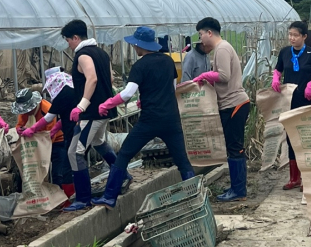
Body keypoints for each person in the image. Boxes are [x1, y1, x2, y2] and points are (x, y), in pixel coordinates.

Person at [92, 27, 194, 208]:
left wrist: (106, 104)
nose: (133, 48)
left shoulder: (139, 66)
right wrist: (145, 98)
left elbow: (126, 94)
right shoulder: (168, 61)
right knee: (182, 160)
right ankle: (194, 194)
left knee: (124, 155)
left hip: (149, 120)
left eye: (134, 45)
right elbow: (171, 88)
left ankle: (109, 197)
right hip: (171, 119)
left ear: (139, 45)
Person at [61, 20, 119, 211]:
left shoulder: (82, 55)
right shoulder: (101, 52)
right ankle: (122, 174)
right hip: (104, 110)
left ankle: (83, 198)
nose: (68, 44)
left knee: (75, 152)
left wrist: (82, 105)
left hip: (92, 112)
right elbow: (110, 79)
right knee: (98, 142)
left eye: (68, 40)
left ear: (76, 38)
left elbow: (92, 78)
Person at [192, 17, 251, 202]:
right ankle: (237, 185)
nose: (200, 38)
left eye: (201, 34)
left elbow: (224, 76)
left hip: (234, 103)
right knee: (234, 147)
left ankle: (239, 190)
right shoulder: (220, 49)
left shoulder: (223, 48)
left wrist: (205, 75)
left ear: (209, 33)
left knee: (235, 148)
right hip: (231, 104)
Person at [272, 21, 311, 190]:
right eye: (290, 34)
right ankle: (294, 177)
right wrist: (276, 78)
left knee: (307, 138)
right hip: (290, 102)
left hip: (308, 103)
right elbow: (279, 69)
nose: (292, 38)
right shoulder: (285, 53)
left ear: (304, 37)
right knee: (291, 137)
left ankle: (308, 178)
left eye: (295, 35)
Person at [14, 83, 74, 201]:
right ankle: (36, 197)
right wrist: (19, 129)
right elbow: (20, 124)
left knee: (58, 172)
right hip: (37, 141)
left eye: (29, 109)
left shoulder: (46, 108)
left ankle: (61, 199)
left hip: (57, 140)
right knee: (32, 170)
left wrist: (33, 134)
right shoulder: (24, 111)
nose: (27, 113)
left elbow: (50, 132)